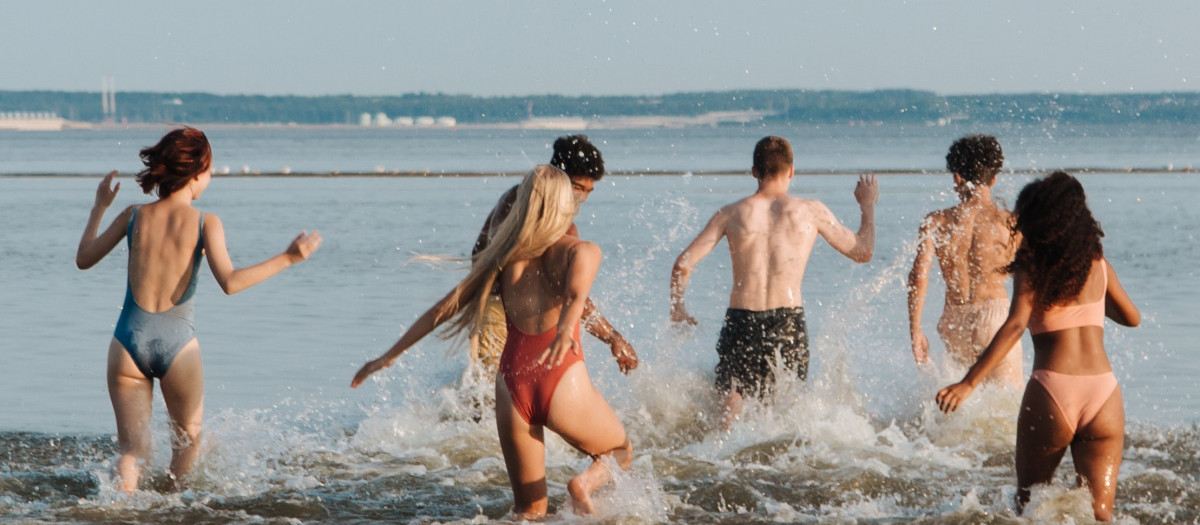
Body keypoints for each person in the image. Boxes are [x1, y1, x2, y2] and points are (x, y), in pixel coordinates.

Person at [352, 165, 632, 518]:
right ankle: (584, 486)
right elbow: (578, 294)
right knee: (619, 451)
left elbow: (445, 308)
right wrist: (565, 330)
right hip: (561, 377)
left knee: (529, 510)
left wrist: (388, 356)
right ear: (565, 203)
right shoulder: (581, 249)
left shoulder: (502, 258)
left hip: (512, 386)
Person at [75, 127, 322, 492]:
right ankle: (174, 505)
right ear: (196, 171)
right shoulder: (207, 222)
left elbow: (83, 259)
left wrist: (98, 207)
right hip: (178, 347)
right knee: (188, 441)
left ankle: (121, 510)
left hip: (127, 342)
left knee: (132, 451)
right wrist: (288, 258)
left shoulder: (132, 215)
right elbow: (231, 282)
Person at [936, 171, 1139, 522]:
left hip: (1053, 390)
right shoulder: (1098, 266)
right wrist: (1091, 300)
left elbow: (1015, 324)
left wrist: (968, 382)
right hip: (1104, 395)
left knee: (1027, 506)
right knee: (1102, 513)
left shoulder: (1032, 267)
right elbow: (1132, 317)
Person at [670, 136, 878, 429]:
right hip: (788, 321)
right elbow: (863, 251)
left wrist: (677, 307)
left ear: (754, 171)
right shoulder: (811, 211)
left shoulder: (730, 213)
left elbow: (683, 263)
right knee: (786, 410)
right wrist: (867, 205)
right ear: (792, 170)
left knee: (733, 400)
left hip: (741, 319)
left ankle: (721, 461)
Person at [469, 135, 637, 378]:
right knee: (495, 391)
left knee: (506, 392)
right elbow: (573, 295)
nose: (583, 198)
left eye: (589, 191)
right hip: (496, 311)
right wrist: (612, 336)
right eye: (578, 187)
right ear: (557, 177)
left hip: (520, 315)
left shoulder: (522, 199)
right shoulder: (528, 209)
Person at [908, 134, 1024, 386]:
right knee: (1007, 405)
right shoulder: (1010, 223)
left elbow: (919, 277)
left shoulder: (936, 222)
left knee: (960, 402)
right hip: (995, 317)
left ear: (957, 177)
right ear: (994, 178)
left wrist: (916, 331)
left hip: (954, 319)